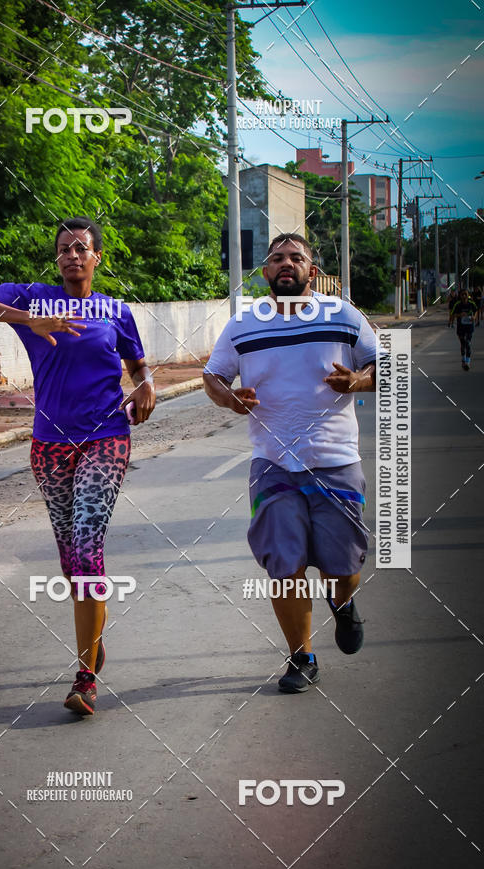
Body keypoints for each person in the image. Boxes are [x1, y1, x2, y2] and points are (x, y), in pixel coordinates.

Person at [0, 216, 155, 715]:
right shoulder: (33, 298)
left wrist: (147, 384)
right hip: (49, 445)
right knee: (71, 558)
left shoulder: (115, 310)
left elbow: (136, 361)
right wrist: (25, 321)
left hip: (106, 438)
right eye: (64, 249)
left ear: (97, 258)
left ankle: (85, 677)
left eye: (81, 248)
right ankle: (95, 634)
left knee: (87, 546)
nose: (72, 256)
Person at [203, 233, 381, 693]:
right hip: (273, 463)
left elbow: (388, 365)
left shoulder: (342, 314)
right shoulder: (244, 324)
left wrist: (358, 383)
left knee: (342, 565)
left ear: (312, 271)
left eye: (296, 258)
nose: (286, 264)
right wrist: (229, 399)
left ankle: (343, 605)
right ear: (265, 272)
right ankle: (301, 656)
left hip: (335, 461)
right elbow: (213, 375)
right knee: (284, 564)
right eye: (277, 258)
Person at [448, 288, 479, 370]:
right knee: (463, 343)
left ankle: (467, 362)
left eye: (466, 294)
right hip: (461, 327)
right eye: (462, 294)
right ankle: (463, 359)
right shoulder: (457, 304)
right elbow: (452, 314)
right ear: (460, 296)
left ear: (468, 294)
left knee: (468, 343)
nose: (464, 296)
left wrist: (474, 317)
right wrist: (459, 315)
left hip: (469, 326)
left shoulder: (471, 303)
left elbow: (476, 310)